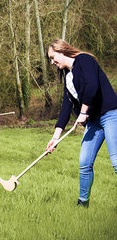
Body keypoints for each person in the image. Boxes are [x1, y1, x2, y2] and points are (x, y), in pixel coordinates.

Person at [46, 39, 117, 208]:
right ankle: (82, 203)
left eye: (52, 57)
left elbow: (92, 86)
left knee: (116, 163)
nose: (52, 62)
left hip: (110, 114)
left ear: (62, 51)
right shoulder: (67, 76)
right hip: (93, 121)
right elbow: (66, 107)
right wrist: (55, 138)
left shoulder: (85, 60)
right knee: (84, 163)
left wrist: (83, 111)